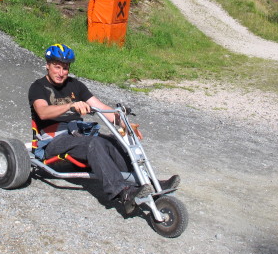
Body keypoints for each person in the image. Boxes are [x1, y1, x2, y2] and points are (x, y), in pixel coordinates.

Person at [28, 43, 180, 211]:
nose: (61, 72)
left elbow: (101, 107)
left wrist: (125, 124)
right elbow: (42, 112)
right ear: (48, 65)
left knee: (117, 141)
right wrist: (70, 106)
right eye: (57, 67)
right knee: (94, 144)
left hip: (78, 136)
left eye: (65, 68)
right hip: (53, 141)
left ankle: (149, 183)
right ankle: (123, 192)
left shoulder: (75, 85)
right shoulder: (38, 87)